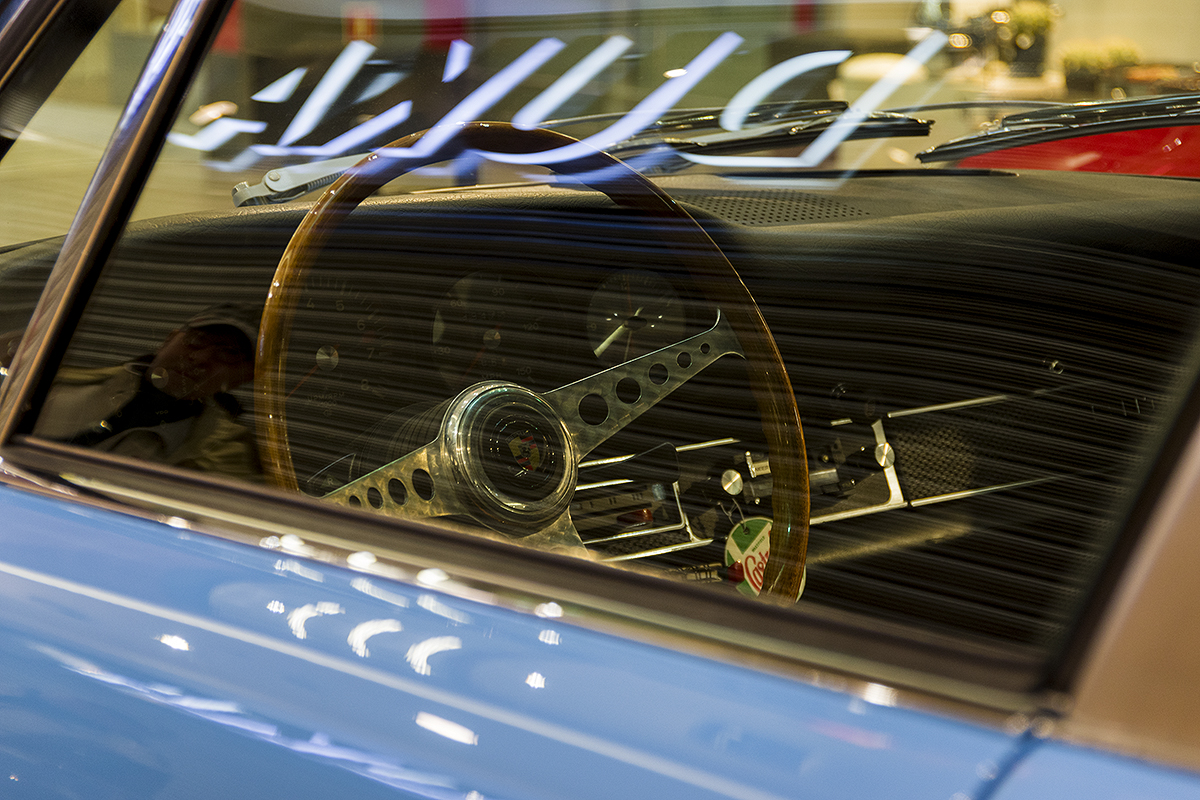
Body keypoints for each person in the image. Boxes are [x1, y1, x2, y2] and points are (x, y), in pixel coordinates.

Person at [33, 303, 263, 481]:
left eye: (229, 353)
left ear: (244, 377)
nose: (200, 358)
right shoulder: (54, 380)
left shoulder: (226, 452)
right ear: (168, 340)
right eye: (197, 340)